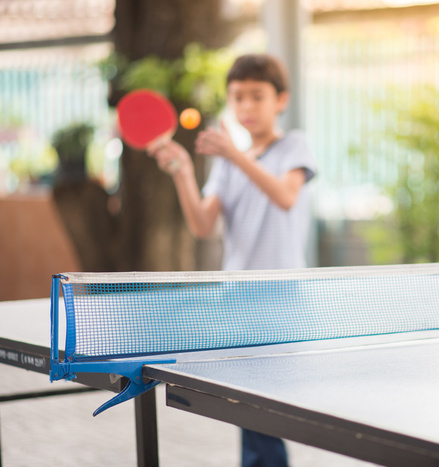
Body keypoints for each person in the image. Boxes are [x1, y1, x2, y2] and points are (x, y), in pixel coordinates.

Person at [148, 54, 317, 467]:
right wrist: (184, 172)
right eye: (238, 97)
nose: (246, 107)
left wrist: (234, 155)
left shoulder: (294, 145)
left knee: (266, 405)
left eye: (257, 97)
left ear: (281, 100)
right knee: (248, 406)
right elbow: (203, 223)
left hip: (279, 296)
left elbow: (285, 195)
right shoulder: (226, 163)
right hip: (236, 298)